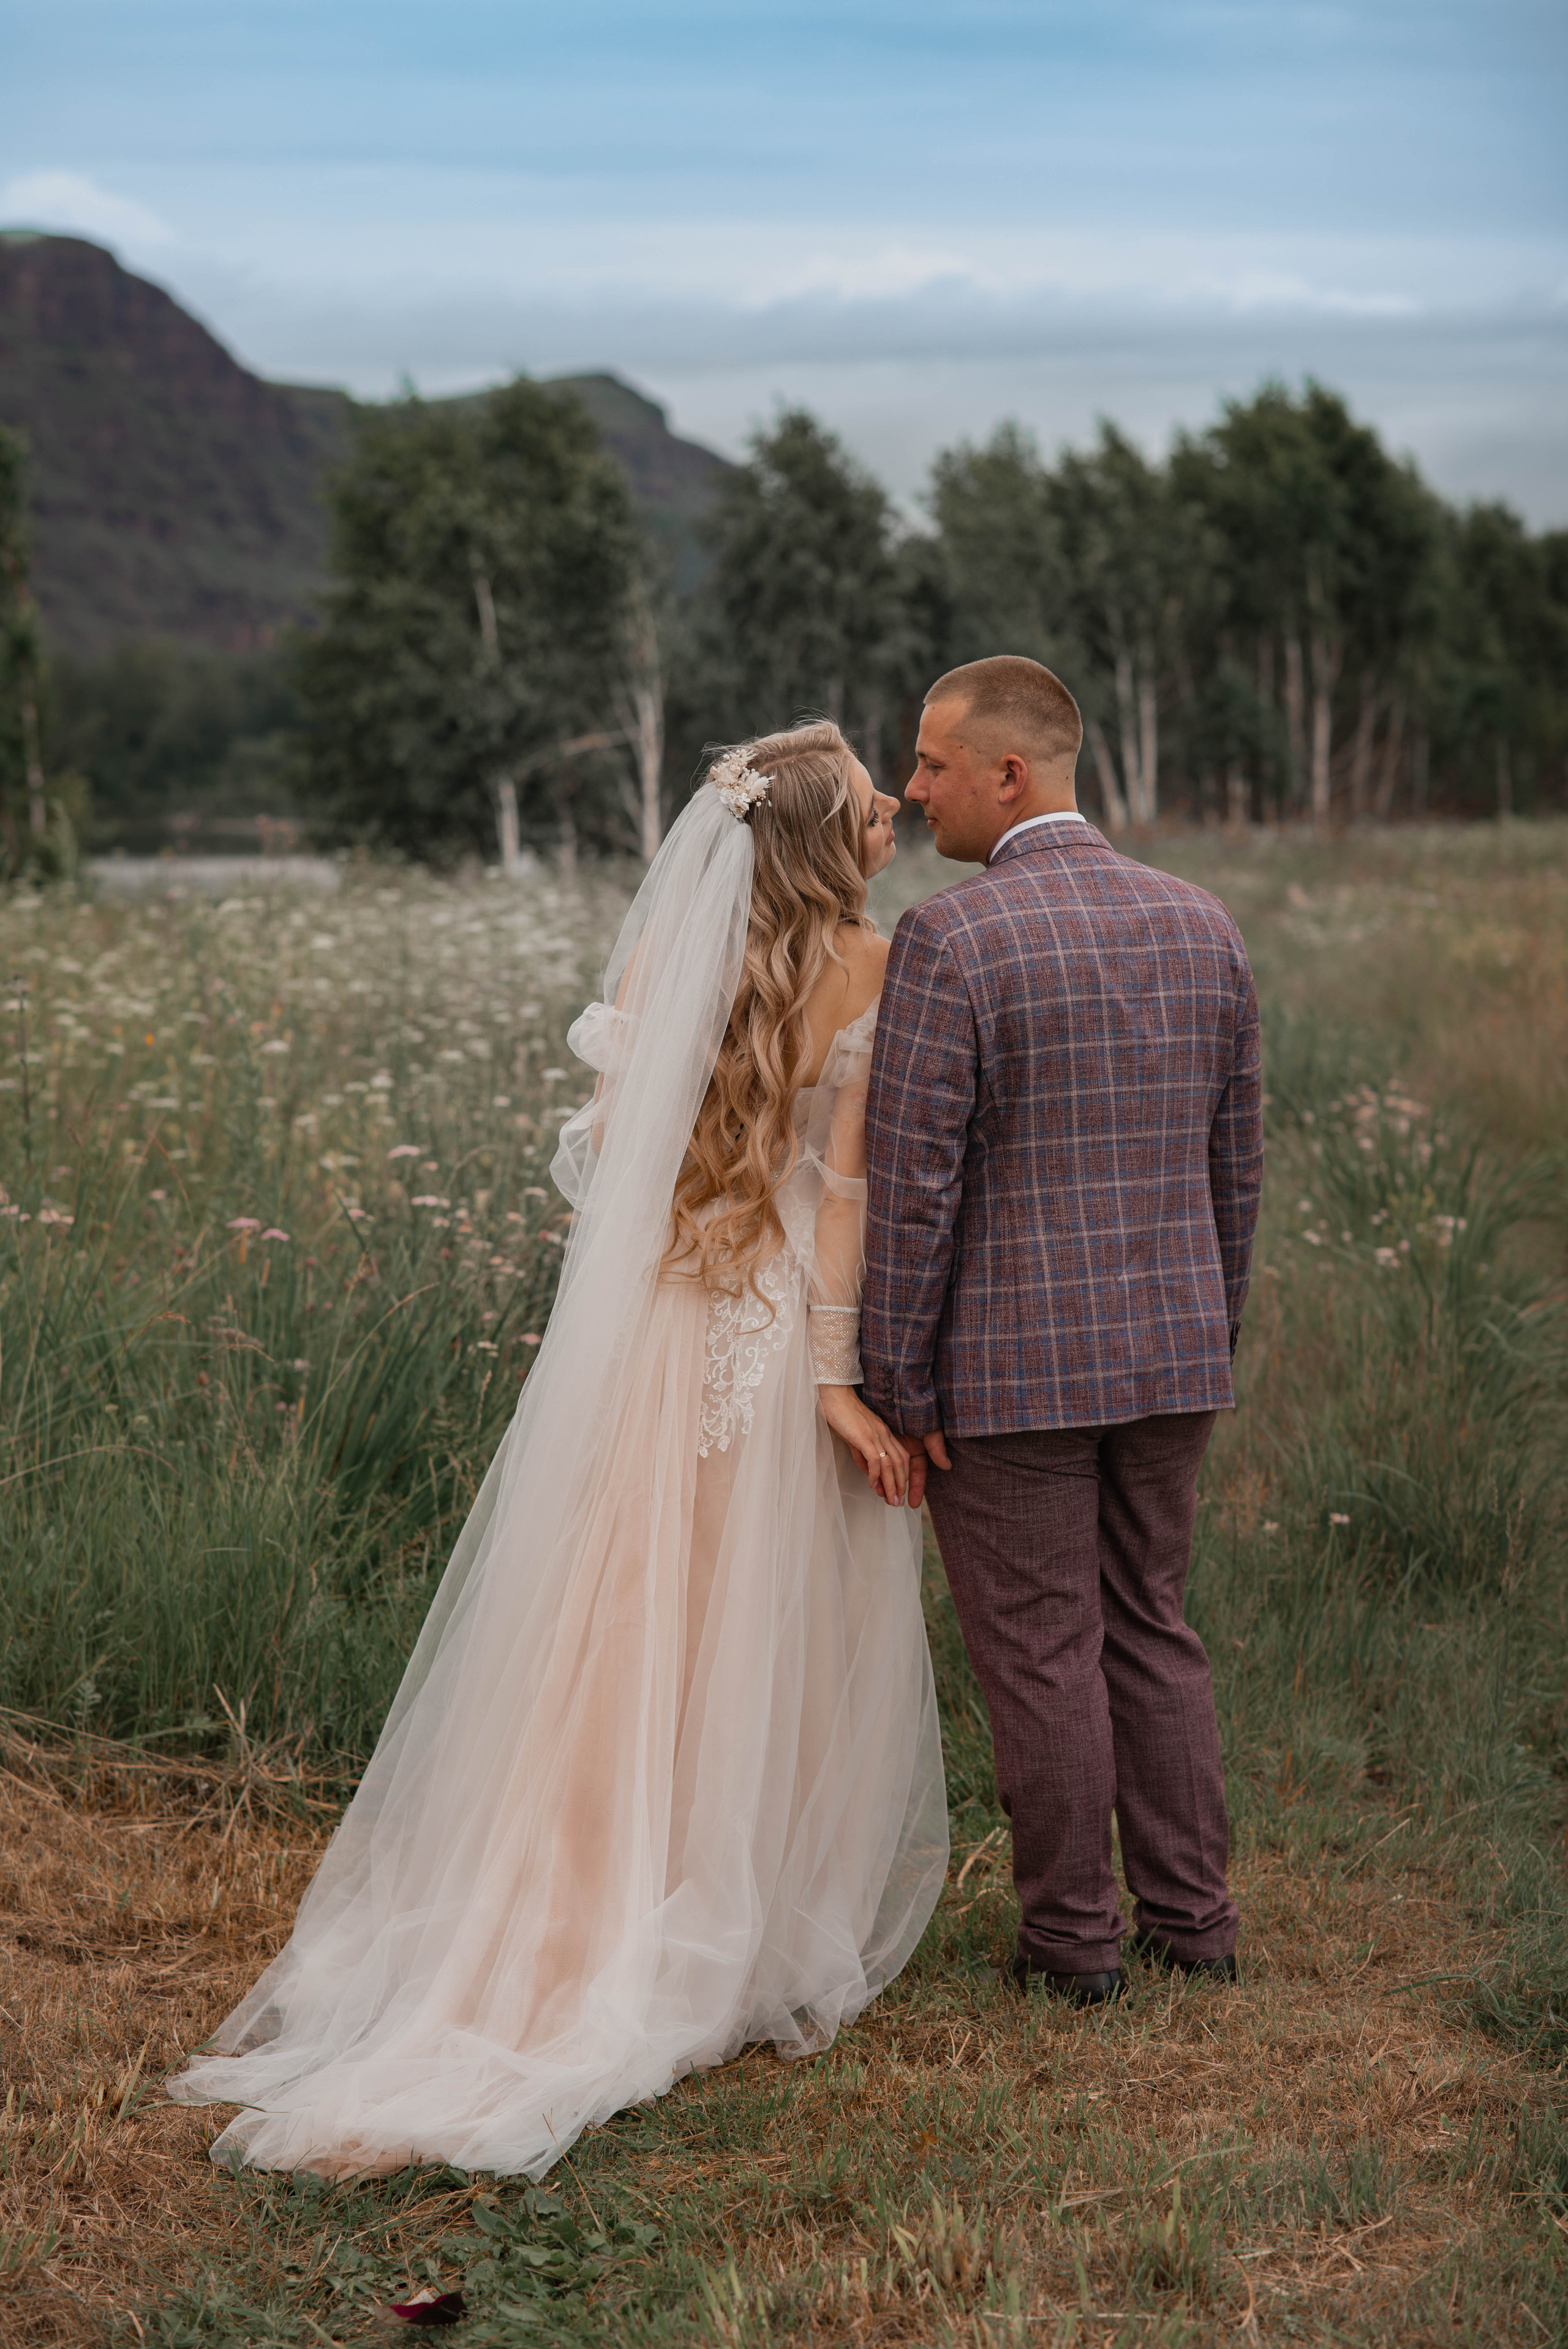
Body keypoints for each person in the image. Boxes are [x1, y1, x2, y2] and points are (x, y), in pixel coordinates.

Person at [171, 724, 948, 2176]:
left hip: (658, 1316)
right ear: (816, 839)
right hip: (773, 1325)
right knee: (751, 1617)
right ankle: (721, 1893)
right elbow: (839, 1201)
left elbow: (611, 1158)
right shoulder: (879, 965)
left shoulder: (668, 965)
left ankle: (583, 1882)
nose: (891, 802)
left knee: (618, 1612)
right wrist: (849, 1379)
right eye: (865, 795)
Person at [862, 656, 1263, 2007]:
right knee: (1151, 1624)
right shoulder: (1202, 923)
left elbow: (914, 1186)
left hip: (1007, 1372)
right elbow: (1235, 1168)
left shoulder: (949, 938)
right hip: (1171, 1352)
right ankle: (1193, 1923)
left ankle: (1073, 1946)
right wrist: (1208, 1325)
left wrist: (895, 1377)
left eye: (930, 764)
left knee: (1040, 1650)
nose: (913, 791)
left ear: (1008, 774)